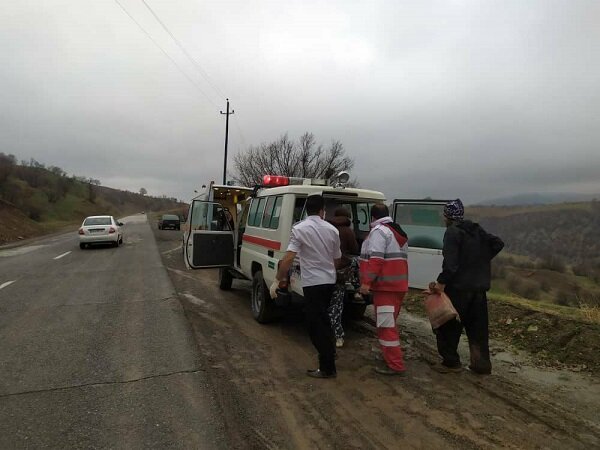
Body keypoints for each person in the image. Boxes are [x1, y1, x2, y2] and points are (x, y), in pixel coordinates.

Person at [429, 199, 504, 375]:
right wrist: (480, 260)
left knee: (448, 326)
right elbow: (498, 243)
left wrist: (441, 283)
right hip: (479, 290)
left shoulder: (452, 233)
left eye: (444, 214)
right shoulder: (477, 230)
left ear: (448, 216)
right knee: (478, 329)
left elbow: (451, 264)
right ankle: (481, 365)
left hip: (458, 289)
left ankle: (451, 363)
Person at [275, 195, 342, 378]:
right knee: (324, 319)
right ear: (322, 210)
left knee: (314, 324)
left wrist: (278, 278)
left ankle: (327, 367)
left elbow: (288, 258)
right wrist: (330, 272)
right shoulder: (332, 230)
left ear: (307, 210)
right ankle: (330, 351)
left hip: (313, 282)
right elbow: (337, 259)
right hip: (329, 281)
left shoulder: (299, 229)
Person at [359, 204, 409, 376]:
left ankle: (395, 365)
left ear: (372, 217)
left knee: (386, 327)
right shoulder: (397, 231)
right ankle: (391, 358)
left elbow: (377, 259)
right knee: (390, 324)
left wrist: (366, 282)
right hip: (397, 287)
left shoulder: (380, 232)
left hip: (385, 288)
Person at [327, 207, 360, 348]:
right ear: (348, 217)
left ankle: (322, 333)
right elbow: (354, 250)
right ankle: (338, 336)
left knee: (323, 304)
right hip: (340, 273)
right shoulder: (348, 231)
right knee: (336, 306)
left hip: (323, 271)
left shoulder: (326, 229)